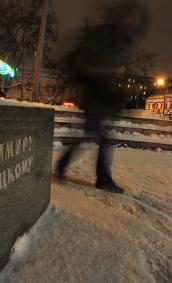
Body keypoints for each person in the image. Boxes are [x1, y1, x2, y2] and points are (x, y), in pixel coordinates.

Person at [56, 1, 151, 193]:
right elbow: (85, 63)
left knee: (90, 136)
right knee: (104, 137)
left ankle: (62, 165)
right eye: (131, 16)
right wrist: (111, 70)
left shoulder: (122, 39)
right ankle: (103, 179)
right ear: (121, 16)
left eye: (137, 18)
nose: (134, 21)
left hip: (106, 97)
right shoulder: (103, 35)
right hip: (94, 96)